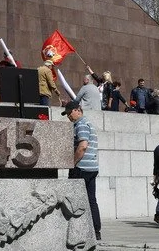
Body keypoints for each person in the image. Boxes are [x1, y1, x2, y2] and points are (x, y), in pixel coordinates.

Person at [63, 100, 101, 240]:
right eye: (66, 114)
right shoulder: (88, 123)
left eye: (69, 112)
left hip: (81, 168)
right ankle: (96, 231)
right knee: (91, 200)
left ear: (78, 110)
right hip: (91, 167)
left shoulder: (81, 124)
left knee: (73, 201)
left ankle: (77, 232)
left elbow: (83, 146)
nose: (68, 116)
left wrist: (72, 163)